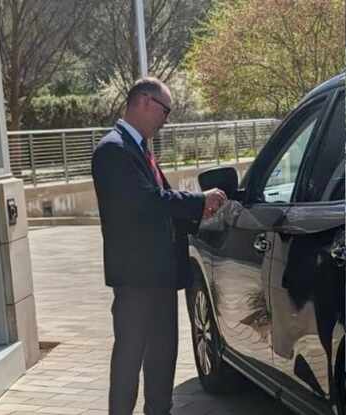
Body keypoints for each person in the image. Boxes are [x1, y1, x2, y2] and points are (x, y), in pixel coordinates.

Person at [91, 77, 227, 415]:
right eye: (165, 111)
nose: (166, 119)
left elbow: (160, 207)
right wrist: (198, 202)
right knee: (129, 360)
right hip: (137, 281)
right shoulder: (113, 150)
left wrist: (203, 215)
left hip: (160, 277)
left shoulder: (137, 149)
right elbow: (148, 203)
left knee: (162, 358)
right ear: (145, 102)